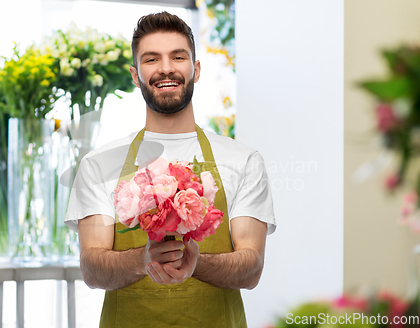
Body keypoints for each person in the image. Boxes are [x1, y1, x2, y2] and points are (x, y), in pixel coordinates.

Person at [65, 11, 276, 328]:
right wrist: (143, 259)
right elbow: (92, 270)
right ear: (135, 75)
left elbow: (251, 269)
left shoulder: (243, 160)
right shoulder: (99, 164)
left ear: (196, 69)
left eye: (178, 57)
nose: (166, 68)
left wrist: (195, 263)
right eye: (151, 59)